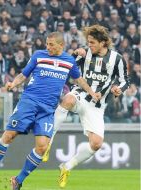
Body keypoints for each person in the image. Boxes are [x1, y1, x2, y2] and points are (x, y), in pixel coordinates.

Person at [0, 32, 101, 190]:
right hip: (29, 102)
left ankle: (18, 180)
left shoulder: (69, 61)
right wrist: (13, 83)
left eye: (51, 44)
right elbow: (23, 74)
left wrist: (92, 93)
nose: (48, 47)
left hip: (47, 109)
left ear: (61, 45)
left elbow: (79, 79)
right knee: (9, 135)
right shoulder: (39, 55)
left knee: (42, 147)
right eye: (47, 44)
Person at [52, 25, 129, 188]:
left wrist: (118, 89)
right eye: (88, 42)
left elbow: (124, 81)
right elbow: (69, 66)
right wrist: (74, 54)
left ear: (103, 43)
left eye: (92, 42)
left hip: (96, 106)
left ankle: (66, 167)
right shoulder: (85, 54)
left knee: (96, 144)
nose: (89, 45)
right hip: (80, 94)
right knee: (68, 100)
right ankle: (48, 141)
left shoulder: (117, 59)